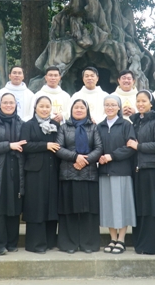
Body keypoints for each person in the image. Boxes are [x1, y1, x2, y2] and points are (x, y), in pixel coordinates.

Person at [55, 99, 103, 253]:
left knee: (88, 211)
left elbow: (99, 148)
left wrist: (84, 160)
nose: (79, 110)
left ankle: (88, 244)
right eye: (76, 107)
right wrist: (76, 157)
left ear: (87, 110)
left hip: (88, 174)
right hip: (68, 174)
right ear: (71, 110)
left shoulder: (93, 127)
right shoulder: (63, 127)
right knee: (68, 210)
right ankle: (69, 244)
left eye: (82, 107)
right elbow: (58, 148)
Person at [0, 93, 27, 255]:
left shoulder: (22, 124)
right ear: (0, 105)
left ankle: (11, 242)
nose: (8, 105)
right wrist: (9, 145)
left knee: (14, 207)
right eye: (5, 102)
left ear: (16, 105)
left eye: (11, 103)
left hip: (16, 170)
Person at [128, 91, 155, 255]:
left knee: (151, 207)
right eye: (138, 101)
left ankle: (150, 245)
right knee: (140, 207)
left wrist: (139, 147)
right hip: (137, 168)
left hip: (151, 168)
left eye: (144, 101)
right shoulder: (137, 121)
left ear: (151, 103)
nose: (140, 103)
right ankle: (140, 243)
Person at [20, 96, 60, 254]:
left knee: (51, 205)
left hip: (52, 170)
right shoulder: (28, 125)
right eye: (41, 106)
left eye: (47, 106)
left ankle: (49, 241)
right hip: (35, 171)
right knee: (36, 206)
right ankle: (35, 244)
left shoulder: (55, 125)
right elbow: (25, 145)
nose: (44, 109)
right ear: (35, 107)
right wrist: (45, 145)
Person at [97, 94, 137, 255]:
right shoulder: (99, 126)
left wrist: (111, 156)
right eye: (107, 105)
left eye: (113, 105)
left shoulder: (126, 125)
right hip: (104, 172)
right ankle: (112, 238)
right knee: (108, 207)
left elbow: (130, 147)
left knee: (121, 206)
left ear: (119, 107)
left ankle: (121, 239)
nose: (110, 107)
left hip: (121, 170)